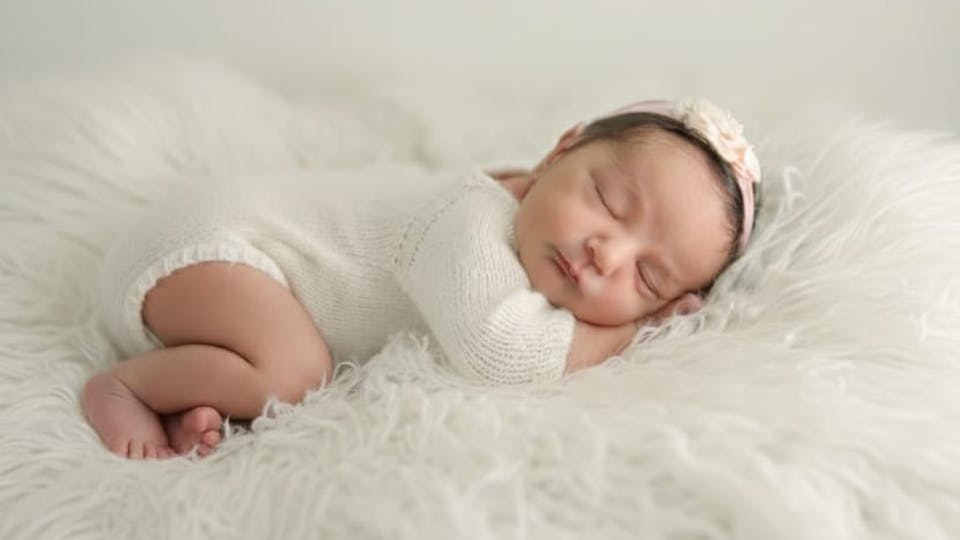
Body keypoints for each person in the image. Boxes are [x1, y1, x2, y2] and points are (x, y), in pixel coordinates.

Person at [82, 98, 762, 460]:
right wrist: (635, 329)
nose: (606, 254)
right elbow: (501, 353)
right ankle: (125, 386)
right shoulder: (467, 219)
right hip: (202, 245)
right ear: (559, 151)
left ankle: (200, 389)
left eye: (647, 277)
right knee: (294, 373)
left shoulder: (522, 219)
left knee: (274, 372)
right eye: (611, 204)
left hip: (224, 271)